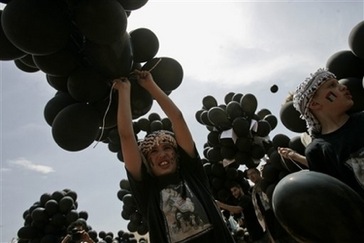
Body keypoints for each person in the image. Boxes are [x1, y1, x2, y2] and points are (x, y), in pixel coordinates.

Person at [113, 70, 235, 243]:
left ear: (177, 156)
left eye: (167, 147)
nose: (162, 154)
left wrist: (150, 86)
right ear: (147, 163)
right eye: (153, 152)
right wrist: (124, 91)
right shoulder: (146, 191)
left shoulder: (193, 174)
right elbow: (126, 137)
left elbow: (177, 118)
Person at [292, 68, 364, 198]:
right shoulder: (316, 151)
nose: (343, 87)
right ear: (314, 104)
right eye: (332, 85)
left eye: (338, 83)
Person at [246, 168, 296, 243]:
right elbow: (260, 212)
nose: (251, 176)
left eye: (252, 173)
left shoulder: (268, 183)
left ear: (258, 173)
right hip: (270, 219)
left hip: (279, 213)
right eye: (249, 175)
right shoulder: (253, 192)